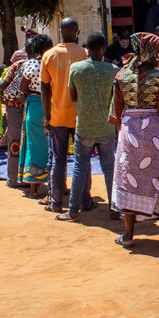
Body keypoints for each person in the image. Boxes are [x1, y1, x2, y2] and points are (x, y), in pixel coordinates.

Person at [108, 33, 159, 246]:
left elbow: (116, 112)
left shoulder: (121, 77)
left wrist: (120, 139)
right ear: (151, 53)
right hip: (158, 136)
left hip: (130, 136)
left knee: (130, 182)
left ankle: (128, 236)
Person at [55, 32, 120, 222]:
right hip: (106, 128)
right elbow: (115, 98)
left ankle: (73, 211)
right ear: (103, 49)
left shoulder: (76, 69)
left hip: (83, 127)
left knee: (79, 167)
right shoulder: (113, 70)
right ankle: (115, 209)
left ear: (86, 49)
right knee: (109, 168)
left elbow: (73, 97)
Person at [40, 18, 88, 213]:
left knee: (58, 160)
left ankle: (57, 202)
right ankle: (84, 200)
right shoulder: (85, 54)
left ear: (60, 31)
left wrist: (47, 115)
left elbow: (44, 88)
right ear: (77, 32)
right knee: (81, 158)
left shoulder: (49, 55)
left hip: (57, 116)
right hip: (80, 116)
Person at [19, 34, 54, 198]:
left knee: (33, 145)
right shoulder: (54, 64)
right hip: (53, 107)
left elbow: (23, 87)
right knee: (55, 147)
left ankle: (33, 189)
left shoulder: (31, 64)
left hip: (34, 106)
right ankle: (57, 185)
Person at [0, 40, 33, 188]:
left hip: (13, 109)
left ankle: (13, 178)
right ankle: (28, 178)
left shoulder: (16, 66)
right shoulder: (37, 66)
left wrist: (5, 99)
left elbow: (1, 85)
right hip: (31, 107)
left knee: (14, 143)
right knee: (31, 143)